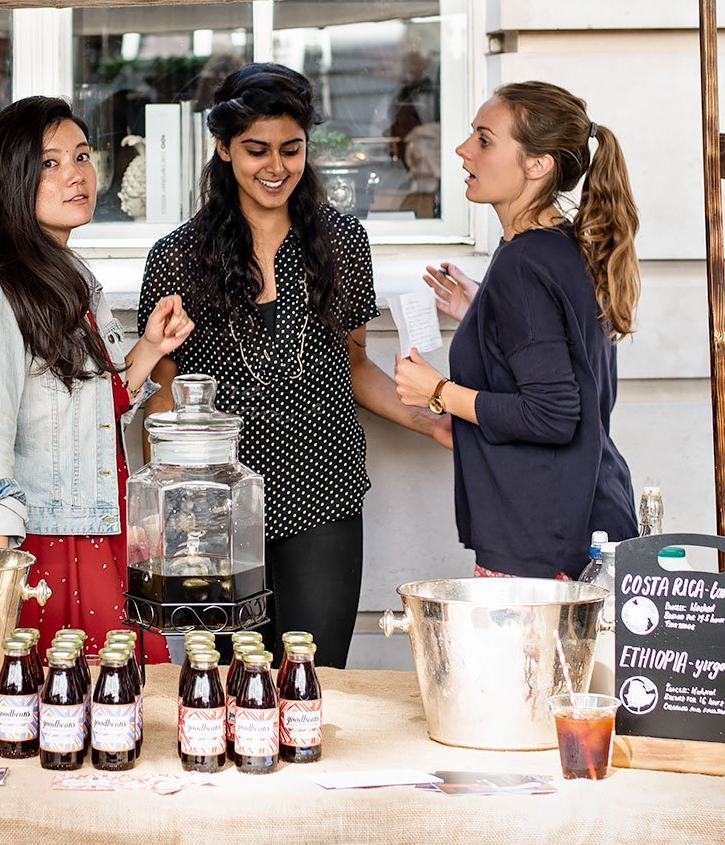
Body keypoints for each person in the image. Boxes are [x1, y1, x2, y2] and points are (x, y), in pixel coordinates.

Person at [139, 63, 450, 667]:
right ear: (224, 148)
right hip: (216, 506)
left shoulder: (342, 241)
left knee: (315, 677)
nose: (276, 167)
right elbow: (163, 393)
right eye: (256, 150)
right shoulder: (177, 255)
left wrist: (431, 420)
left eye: (291, 149)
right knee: (225, 685)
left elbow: (353, 363)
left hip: (322, 487)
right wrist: (166, 510)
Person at [0, 96, 193, 658]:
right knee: (60, 691)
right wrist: (0, 578)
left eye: (82, 156)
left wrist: (150, 347)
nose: (76, 175)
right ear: (14, 179)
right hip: (47, 545)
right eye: (50, 163)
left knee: (118, 693)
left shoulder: (74, 277)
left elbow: (96, 410)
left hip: (104, 529)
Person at [393, 81, 639, 580]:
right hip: (578, 519)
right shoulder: (559, 243)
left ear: (537, 164)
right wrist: (482, 314)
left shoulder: (523, 264)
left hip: (546, 544)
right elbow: (562, 353)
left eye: (484, 140)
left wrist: (437, 392)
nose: (463, 150)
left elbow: (552, 415)